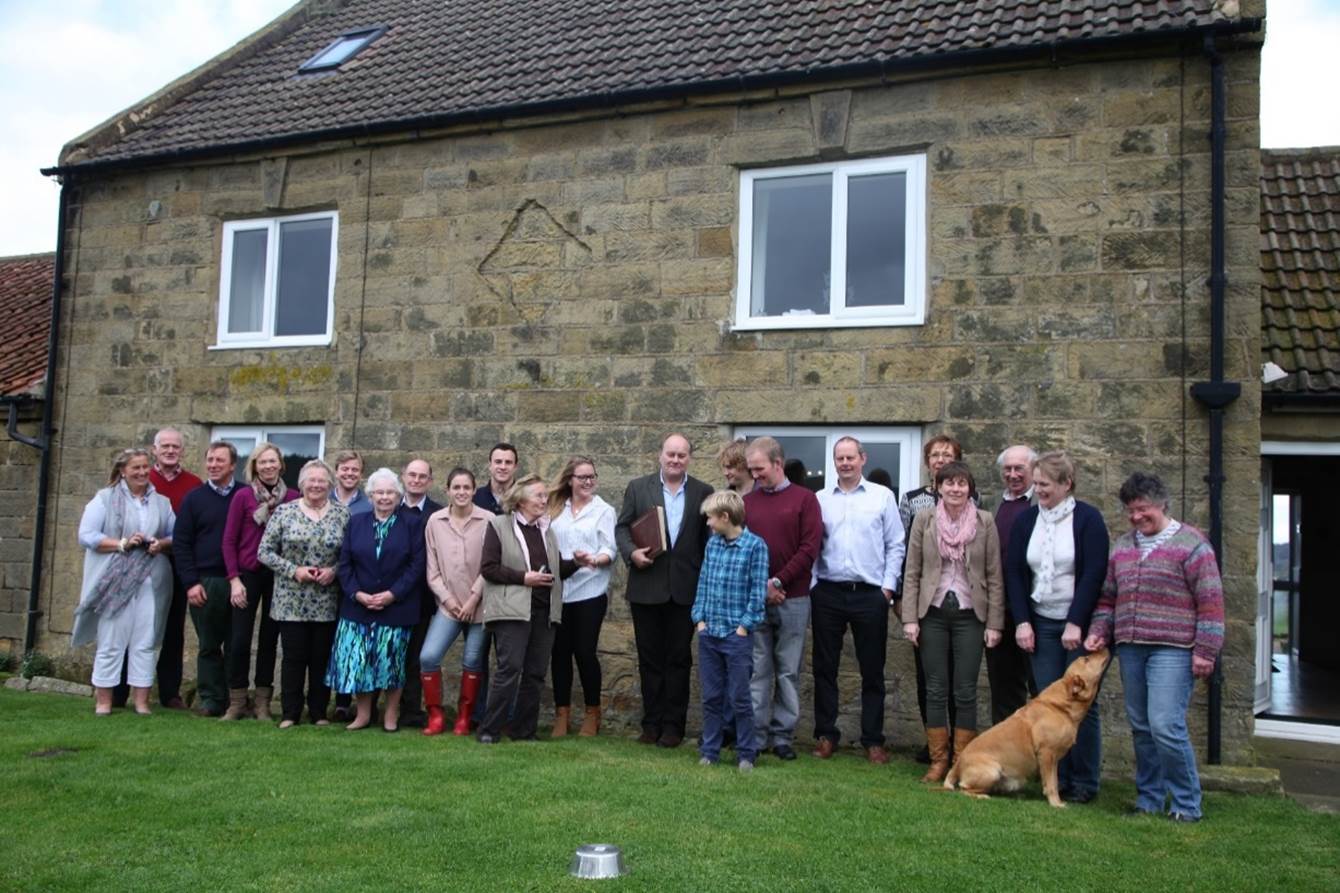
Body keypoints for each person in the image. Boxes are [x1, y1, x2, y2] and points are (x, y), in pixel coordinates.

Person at [1084, 472, 1224, 822]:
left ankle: (1187, 804)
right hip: (1131, 646)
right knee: (1142, 727)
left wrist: (1206, 651)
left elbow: (1211, 602)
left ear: (1162, 504)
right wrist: (1100, 631)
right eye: (1130, 510)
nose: (1135, 517)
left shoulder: (1192, 545)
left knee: (1165, 724)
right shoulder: (1123, 546)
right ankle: (1149, 799)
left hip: (1173, 649)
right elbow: (1107, 599)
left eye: (1142, 509)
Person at [1005, 451, 1110, 803]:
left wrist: (1076, 622)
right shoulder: (1027, 520)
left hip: (1076, 626)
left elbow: (1094, 573)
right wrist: (1022, 621)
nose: (1038, 491)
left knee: (1081, 704)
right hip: (1040, 622)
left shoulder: (1088, 520)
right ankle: (1058, 780)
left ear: (1067, 484)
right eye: (1036, 484)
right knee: (1049, 704)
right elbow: (1016, 573)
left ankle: (1085, 782)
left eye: (1045, 485)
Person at [901, 460, 1004, 783]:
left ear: (969, 488)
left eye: (961, 484)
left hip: (970, 615)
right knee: (934, 688)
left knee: (965, 690)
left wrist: (994, 624)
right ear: (939, 487)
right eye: (949, 484)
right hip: (931, 613)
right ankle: (938, 760)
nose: (956, 489)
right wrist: (910, 619)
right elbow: (913, 570)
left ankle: (963, 760)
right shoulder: (924, 519)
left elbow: (994, 575)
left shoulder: (985, 521)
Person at [615, 433, 714, 748]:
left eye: (681, 455)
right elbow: (622, 528)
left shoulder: (703, 492)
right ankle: (651, 724)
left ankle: (673, 727)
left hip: (685, 590)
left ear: (689, 459)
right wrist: (631, 553)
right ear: (660, 455)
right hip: (646, 586)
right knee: (649, 659)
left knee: (678, 660)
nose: (675, 460)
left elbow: (706, 543)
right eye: (670, 454)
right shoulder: (638, 487)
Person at [811, 436, 905, 764]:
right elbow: (812, 545)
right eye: (840, 458)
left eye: (851, 457)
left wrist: (888, 589)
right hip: (828, 592)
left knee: (873, 670)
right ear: (834, 462)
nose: (846, 463)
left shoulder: (882, 497)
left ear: (862, 459)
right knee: (824, 667)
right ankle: (826, 735)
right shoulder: (820, 499)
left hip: (870, 594)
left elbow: (896, 543)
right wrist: (812, 586)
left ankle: (873, 739)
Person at [72, 448, 175, 715]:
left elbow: (175, 535)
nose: (142, 472)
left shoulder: (162, 502)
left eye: (144, 467)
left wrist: (159, 543)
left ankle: (142, 702)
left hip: (150, 581)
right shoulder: (104, 499)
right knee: (111, 642)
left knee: (146, 641)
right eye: (135, 468)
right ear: (122, 471)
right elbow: (86, 535)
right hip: (114, 580)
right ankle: (104, 702)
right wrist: (121, 543)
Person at [476, 474, 577, 743]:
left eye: (545, 496)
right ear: (521, 500)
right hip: (514, 610)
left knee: (535, 674)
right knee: (509, 670)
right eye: (539, 496)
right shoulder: (499, 525)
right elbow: (488, 568)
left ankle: (524, 731)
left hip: (545, 612)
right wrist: (524, 578)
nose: (545, 501)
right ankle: (489, 729)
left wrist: (577, 562)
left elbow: (554, 570)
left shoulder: (547, 530)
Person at [327, 468, 426, 732]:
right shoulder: (356, 522)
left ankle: (391, 714)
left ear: (399, 495)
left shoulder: (412, 523)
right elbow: (344, 564)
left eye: (390, 492)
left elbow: (417, 565)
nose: (385, 497)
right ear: (370, 495)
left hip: (397, 607)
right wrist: (358, 594)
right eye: (379, 492)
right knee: (360, 661)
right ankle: (363, 714)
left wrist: (392, 595)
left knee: (391, 663)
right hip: (358, 606)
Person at [743, 436, 823, 762]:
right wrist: (761, 586)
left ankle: (782, 737)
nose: (755, 475)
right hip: (756, 598)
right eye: (751, 470)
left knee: (788, 670)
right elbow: (742, 548)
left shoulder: (805, 500)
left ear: (777, 463)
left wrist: (777, 581)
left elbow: (809, 548)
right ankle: (757, 736)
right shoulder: (747, 503)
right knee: (758, 671)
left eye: (759, 469)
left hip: (795, 598)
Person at [258, 460, 350, 729]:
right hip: (291, 599)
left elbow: (352, 554)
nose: (316, 485)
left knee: (321, 657)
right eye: (311, 480)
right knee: (293, 658)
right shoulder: (284, 512)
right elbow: (264, 551)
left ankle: (319, 712)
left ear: (330, 485)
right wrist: (293, 570)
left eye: (322, 481)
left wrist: (334, 570)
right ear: (301, 484)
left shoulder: (342, 514)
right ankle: (290, 713)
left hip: (326, 598)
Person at [897, 433, 969, 760]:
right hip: (926, 599)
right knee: (929, 676)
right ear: (927, 463)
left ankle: (960, 746)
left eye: (947, 454)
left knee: (959, 678)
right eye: (935, 455)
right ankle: (934, 744)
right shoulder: (912, 499)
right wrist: (901, 599)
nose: (940, 459)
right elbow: (903, 552)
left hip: (962, 600)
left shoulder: (971, 498)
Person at [692, 490, 768, 773]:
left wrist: (743, 628)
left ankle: (746, 753)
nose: (709, 523)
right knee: (711, 696)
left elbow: (757, 593)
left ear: (725, 517)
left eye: (711, 517)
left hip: (736, 637)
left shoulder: (755, 547)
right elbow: (703, 582)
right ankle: (710, 750)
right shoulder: (713, 545)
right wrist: (700, 619)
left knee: (739, 697)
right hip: (710, 633)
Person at [222, 442, 298, 721]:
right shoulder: (243, 497)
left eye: (272, 461)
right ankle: (237, 700)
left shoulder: (292, 497)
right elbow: (229, 540)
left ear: (281, 465)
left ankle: (263, 702)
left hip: (278, 576)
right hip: (248, 575)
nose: (268, 466)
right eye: (262, 462)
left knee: (269, 640)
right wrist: (234, 580)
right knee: (239, 640)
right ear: (255, 466)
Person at [421, 467, 493, 736]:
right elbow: (432, 570)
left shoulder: (488, 520)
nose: (461, 492)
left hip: (479, 606)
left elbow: (490, 564)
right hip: (448, 606)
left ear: (474, 490)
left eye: (467, 488)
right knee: (428, 656)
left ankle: (464, 718)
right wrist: (448, 600)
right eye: (456, 488)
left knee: (472, 660)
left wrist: (474, 598)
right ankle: (436, 716)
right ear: (447, 490)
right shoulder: (434, 521)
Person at [548, 456, 616, 737]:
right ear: (570, 480)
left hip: (590, 590)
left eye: (592, 477)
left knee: (585, 652)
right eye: (582, 477)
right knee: (559, 653)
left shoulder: (603, 510)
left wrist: (595, 560)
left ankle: (592, 712)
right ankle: (561, 714)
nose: (588, 482)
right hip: (560, 590)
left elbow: (610, 549)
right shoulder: (554, 508)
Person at [173, 441, 241, 718]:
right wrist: (191, 583)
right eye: (210, 460)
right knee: (209, 645)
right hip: (207, 581)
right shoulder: (194, 498)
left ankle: (236, 700)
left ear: (233, 465)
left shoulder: (245, 495)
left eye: (219, 461)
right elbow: (181, 543)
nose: (213, 465)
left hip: (239, 581)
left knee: (237, 645)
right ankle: (212, 700)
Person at [140, 427, 201, 710]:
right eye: (164, 446)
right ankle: (119, 691)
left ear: (183, 451)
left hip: (177, 563)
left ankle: (169, 692)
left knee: (173, 629)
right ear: (155, 450)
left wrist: (165, 544)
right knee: (133, 625)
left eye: (175, 446)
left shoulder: (193, 484)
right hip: (138, 564)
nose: (170, 450)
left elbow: (193, 530)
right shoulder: (141, 478)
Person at [989, 444, 1038, 724]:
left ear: (1033, 469)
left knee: (1040, 684)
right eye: (1007, 469)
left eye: (1019, 468)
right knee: (1004, 686)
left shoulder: (1041, 503)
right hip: (999, 607)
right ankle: (1006, 753)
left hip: (1033, 608)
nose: (1013, 474)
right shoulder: (994, 504)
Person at [397, 458, 442, 728]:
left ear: (430, 481)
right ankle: (382, 708)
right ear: (403, 477)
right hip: (392, 596)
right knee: (389, 655)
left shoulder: (437, 514)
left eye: (422, 476)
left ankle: (411, 710)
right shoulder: (389, 508)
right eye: (411, 475)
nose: (416, 480)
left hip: (424, 598)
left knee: (415, 658)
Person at [473, 442, 518, 515]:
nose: (503, 467)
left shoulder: (525, 498)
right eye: (498, 462)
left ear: (515, 467)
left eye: (508, 462)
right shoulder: (474, 498)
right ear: (490, 465)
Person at [331, 449, 372, 516]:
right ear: (336, 472)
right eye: (345, 469)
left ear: (361, 475)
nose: (350, 473)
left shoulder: (370, 505)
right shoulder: (323, 501)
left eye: (355, 470)